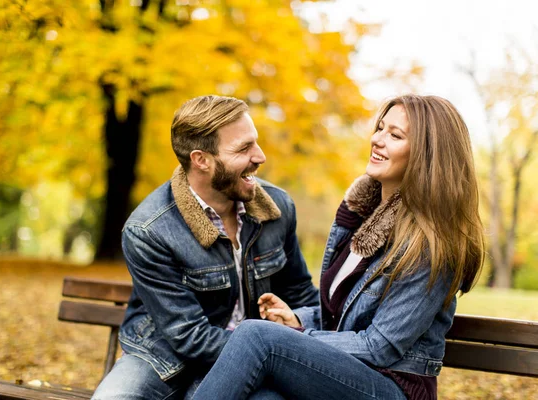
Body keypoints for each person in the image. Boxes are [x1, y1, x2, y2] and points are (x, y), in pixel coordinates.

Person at [192, 94, 485, 400]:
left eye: (395, 135)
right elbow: (347, 316)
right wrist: (298, 320)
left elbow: (379, 346)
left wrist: (299, 335)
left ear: (427, 155)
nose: (377, 139)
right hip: (346, 376)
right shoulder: (359, 219)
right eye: (380, 128)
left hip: (393, 388)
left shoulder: (429, 245)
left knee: (255, 335)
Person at [92, 95, 319, 400]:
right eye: (244, 148)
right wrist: (268, 348)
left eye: (256, 142)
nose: (260, 156)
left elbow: (301, 294)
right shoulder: (148, 230)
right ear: (201, 160)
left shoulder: (277, 208)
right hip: (165, 355)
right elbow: (187, 336)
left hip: (257, 357)